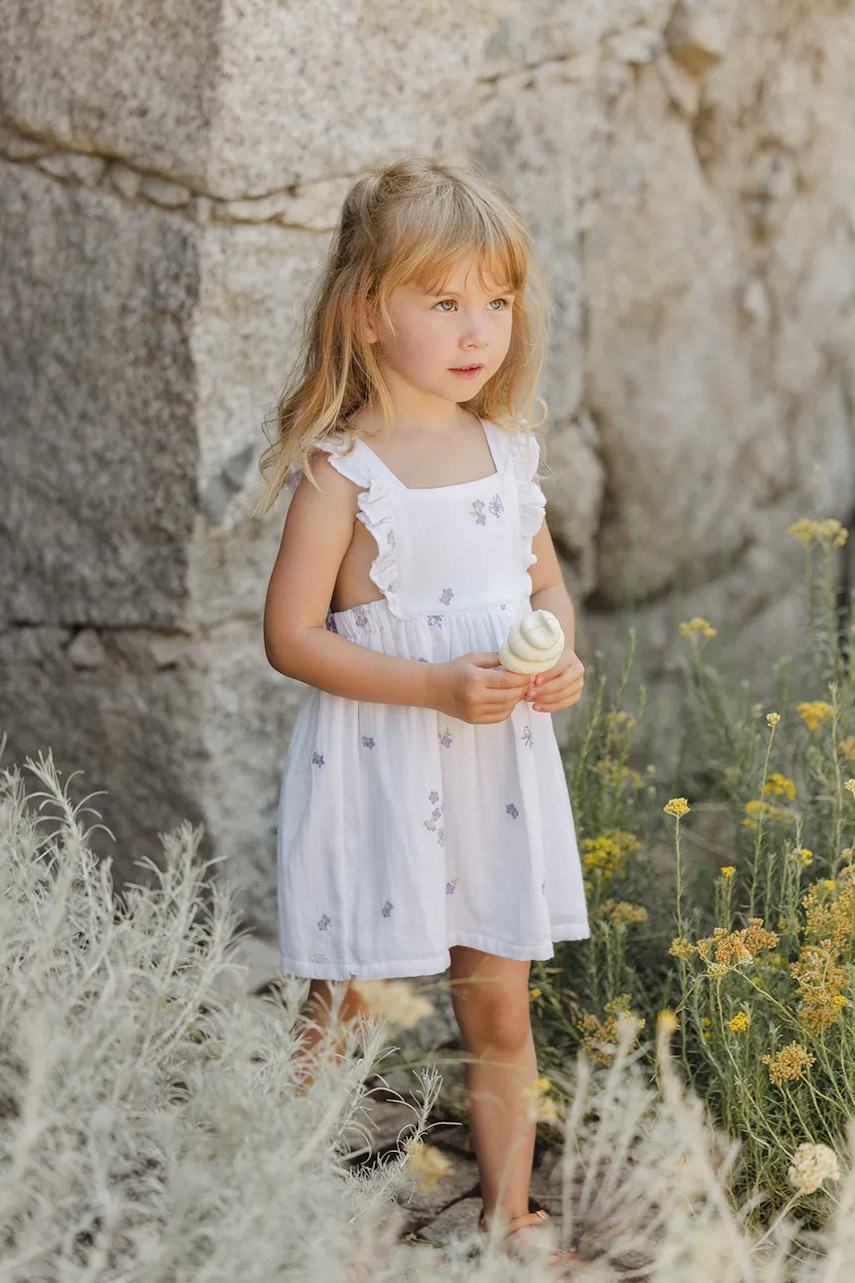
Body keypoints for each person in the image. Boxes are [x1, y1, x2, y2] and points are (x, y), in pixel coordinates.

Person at [259, 156, 589, 1273]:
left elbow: (542, 582)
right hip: (384, 762)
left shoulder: (507, 451)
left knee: (497, 1002)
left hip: (495, 760)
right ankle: (274, 1188)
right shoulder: (342, 472)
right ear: (367, 310)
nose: (477, 328)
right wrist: (436, 685)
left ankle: (511, 1208)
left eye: (495, 300)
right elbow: (292, 636)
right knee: (350, 995)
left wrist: (562, 652)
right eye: (443, 300)